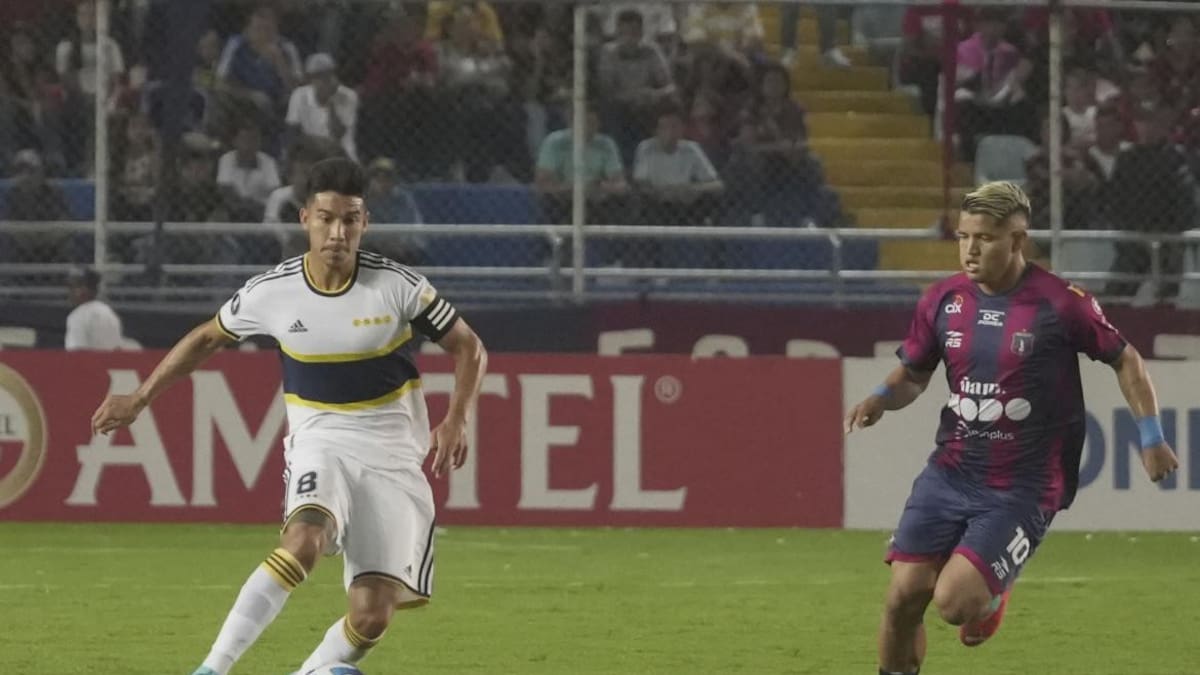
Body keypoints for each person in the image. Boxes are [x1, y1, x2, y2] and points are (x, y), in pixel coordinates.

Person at [88, 157, 488, 675]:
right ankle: (211, 669)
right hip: (319, 439)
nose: (337, 232)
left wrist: (458, 417)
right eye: (326, 218)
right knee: (302, 542)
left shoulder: (399, 287)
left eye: (350, 219)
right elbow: (208, 337)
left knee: (370, 618)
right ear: (304, 219)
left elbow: (470, 348)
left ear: (365, 222)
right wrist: (140, 397)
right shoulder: (272, 291)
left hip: (393, 456)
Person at [843, 181, 1179, 675]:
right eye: (963, 236)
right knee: (903, 596)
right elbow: (914, 375)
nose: (970, 250)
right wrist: (881, 396)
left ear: (1018, 240)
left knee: (954, 602)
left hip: (1023, 485)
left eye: (985, 238)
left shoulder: (1063, 304)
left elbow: (1125, 359)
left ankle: (990, 595)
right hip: (951, 471)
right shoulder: (942, 300)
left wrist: (1151, 437)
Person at [64, 267, 124, 351]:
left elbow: (77, 355)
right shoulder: (109, 313)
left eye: (74, 287)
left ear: (87, 289)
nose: (70, 292)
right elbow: (117, 350)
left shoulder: (78, 316)